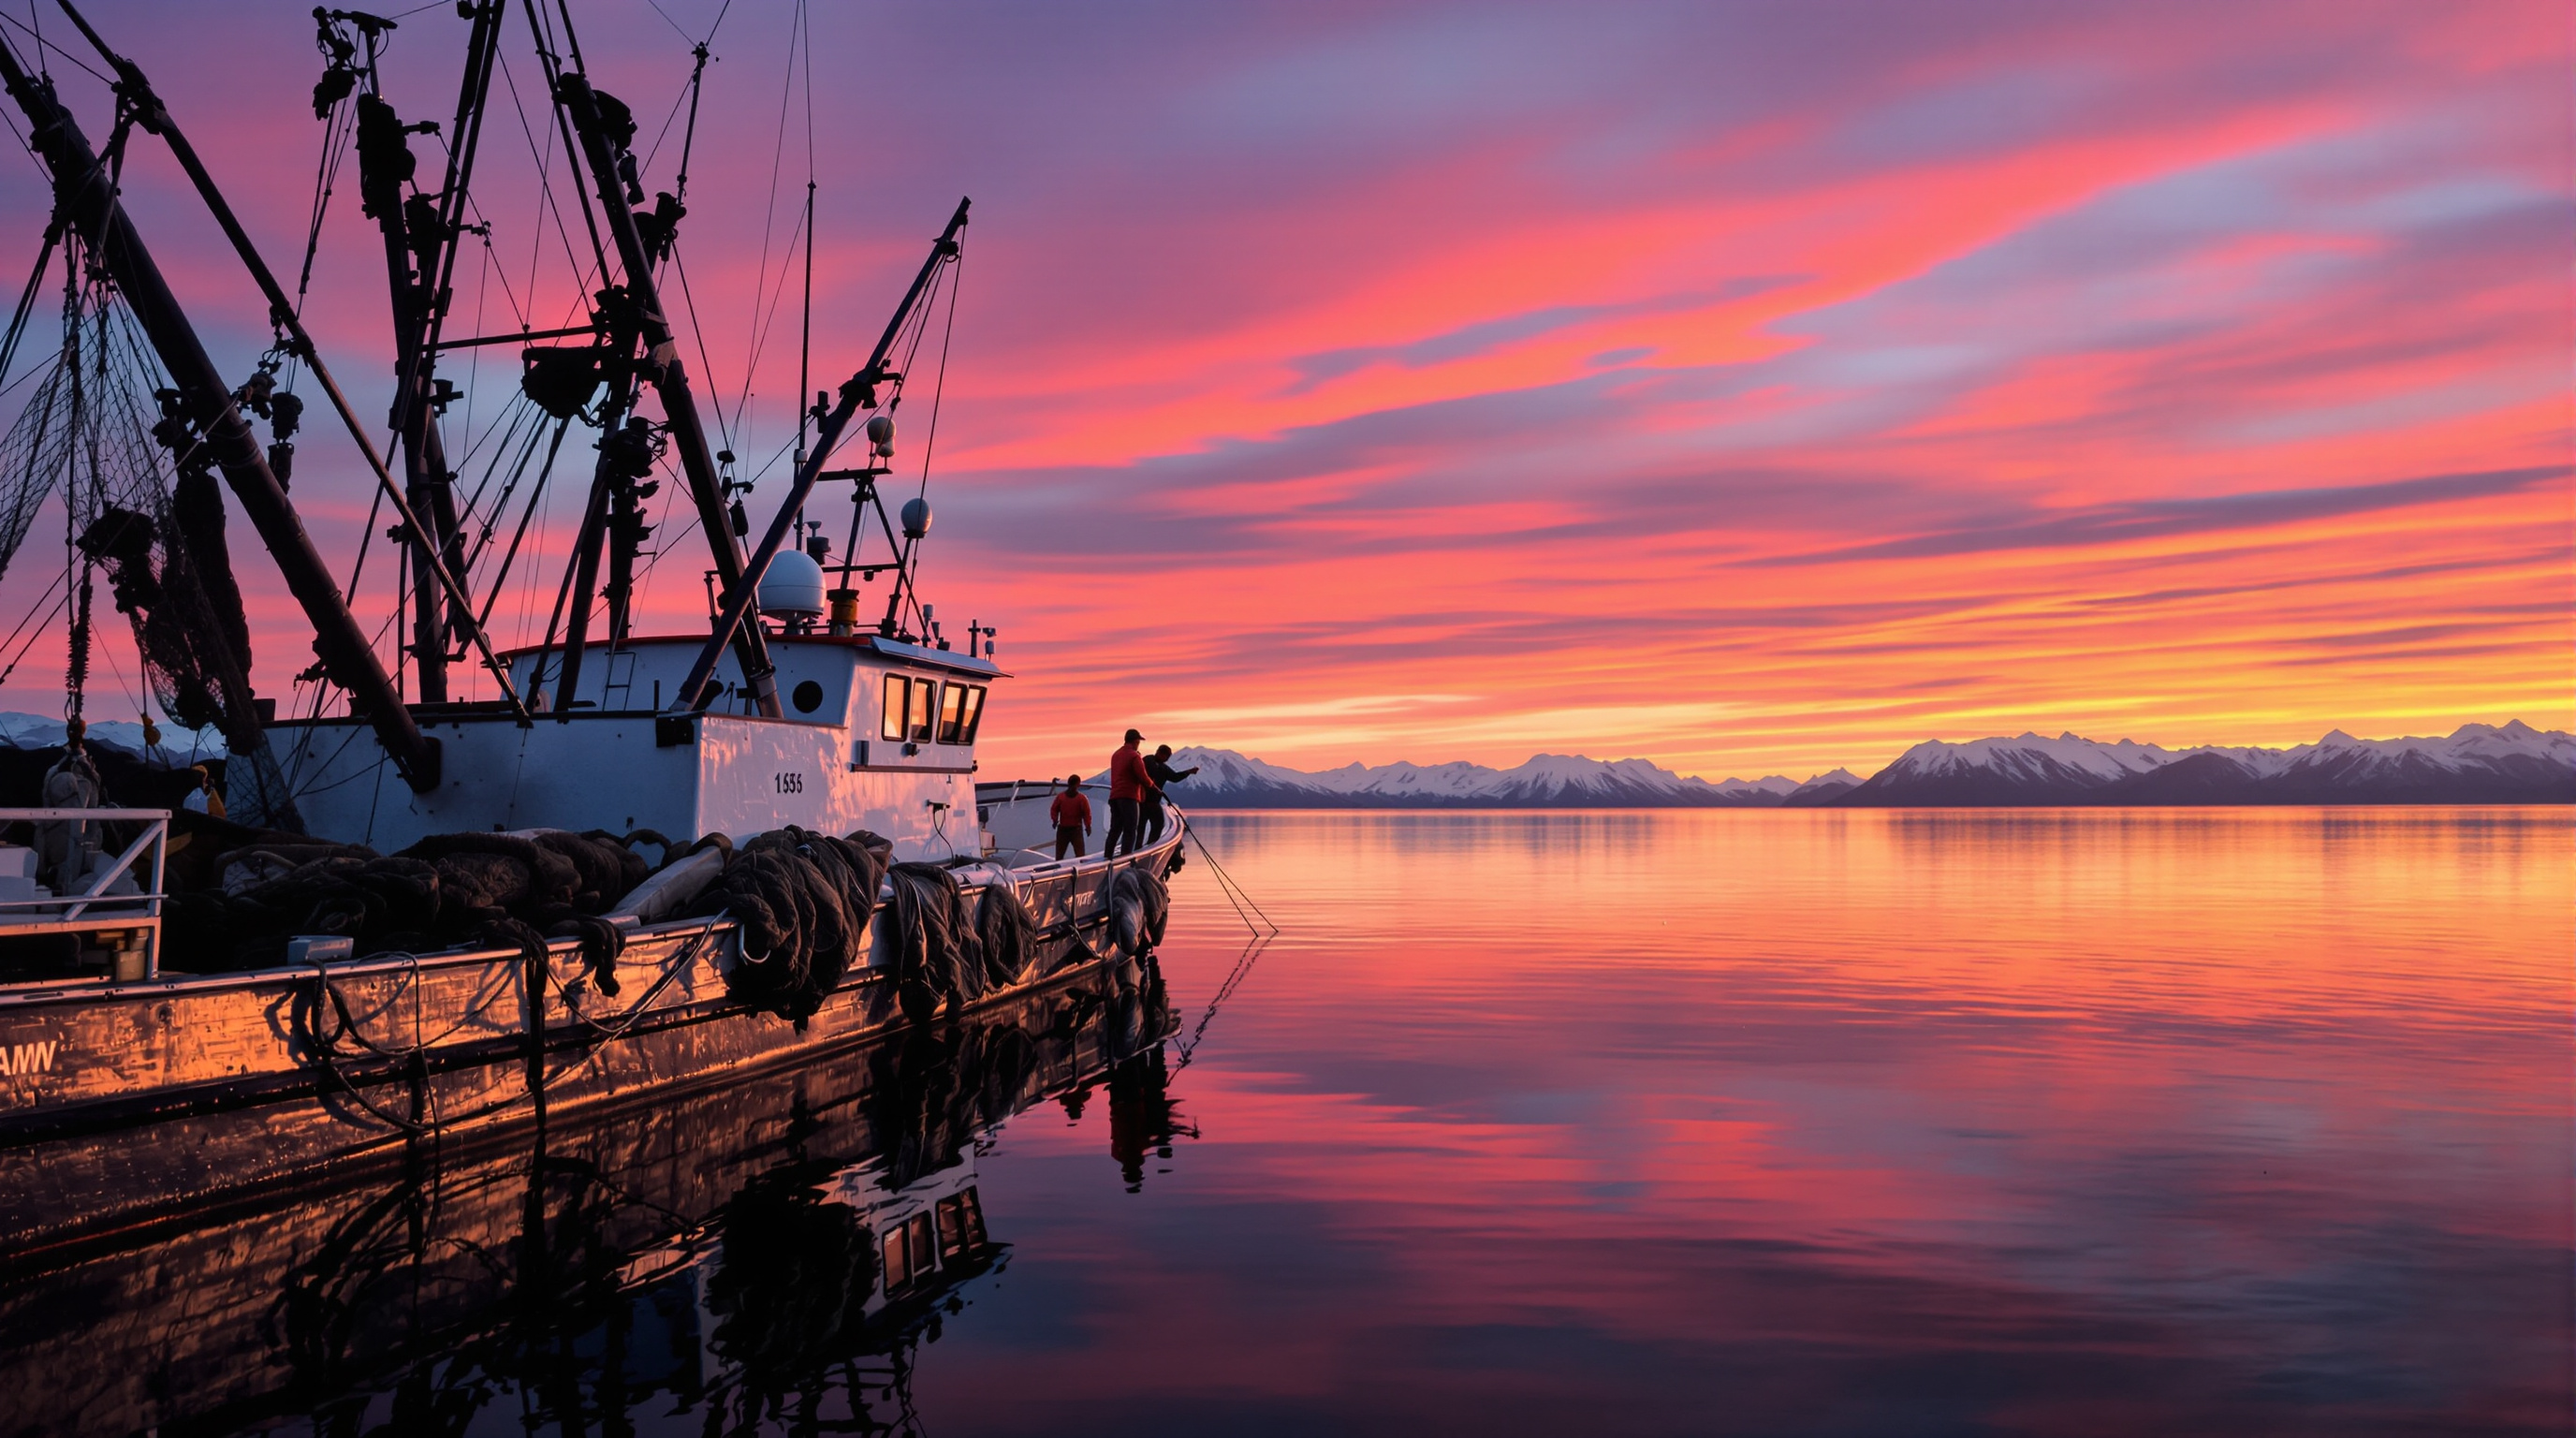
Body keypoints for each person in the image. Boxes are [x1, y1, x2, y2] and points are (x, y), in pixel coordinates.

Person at [1105, 728, 1152, 859]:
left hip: (1115, 797)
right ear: (1136, 741)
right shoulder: (1134, 756)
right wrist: (1151, 785)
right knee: (1130, 829)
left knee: (1115, 829)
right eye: (1138, 741)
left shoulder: (1116, 754)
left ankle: (1107, 857)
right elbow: (1142, 776)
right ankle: (1126, 859)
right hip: (1129, 797)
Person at [1141, 744, 1196, 844]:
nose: (1166, 760)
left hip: (1149, 802)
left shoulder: (1162, 767)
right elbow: (1174, 777)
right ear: (1161, 753)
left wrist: (1189, 772)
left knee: (1151, 825)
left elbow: (1175, 777)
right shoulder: (1148, 761)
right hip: (1144, 801)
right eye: (1166, 757)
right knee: (1149, 825)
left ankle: (1146, 847)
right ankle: (1145, 848)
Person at [1048, 774, 1091, 859]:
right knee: (1065, 855)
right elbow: (1086, 814)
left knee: (1077, 855)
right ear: (1078, 784)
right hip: (1068, 830)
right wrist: (1055, 820)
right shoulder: (1081, 798)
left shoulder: (1064, 797)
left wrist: (1088, 826)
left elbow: (1086, 814)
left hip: (1073, 829)